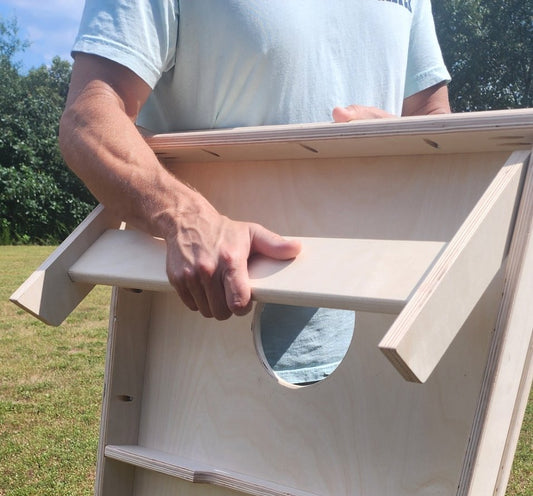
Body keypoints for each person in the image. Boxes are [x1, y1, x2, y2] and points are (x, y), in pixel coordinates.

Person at [60, 1, 450, 380]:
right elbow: (89, 116)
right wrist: (183, 216)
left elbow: (434, 121)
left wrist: (401, 137)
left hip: (388, 349)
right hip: (198, 362)